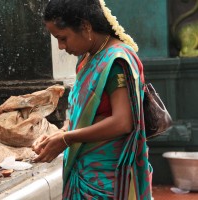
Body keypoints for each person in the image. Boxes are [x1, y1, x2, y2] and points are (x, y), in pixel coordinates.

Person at [32, 0, 152, 199]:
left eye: (63, 38)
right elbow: (85, 114)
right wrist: (59, 133)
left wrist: (67, 138)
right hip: (83, 170)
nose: (61, 47)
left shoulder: (116, 61)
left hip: (107, 178)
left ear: (86, 26)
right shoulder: (86, 59)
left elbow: (123, 122)